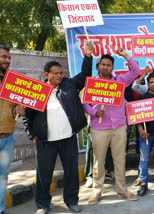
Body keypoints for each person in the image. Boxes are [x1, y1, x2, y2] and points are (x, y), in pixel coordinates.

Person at [23, 41, 94, 214]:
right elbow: (28, 116)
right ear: (47, 74)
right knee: (44, 176)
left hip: (68, 138)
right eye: (56, 73)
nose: (60, 76)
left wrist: (88, 55)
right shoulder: (37, 91)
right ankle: (43, 204)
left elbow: (85, 75)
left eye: (61, 73)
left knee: (71, 173)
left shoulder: (69, 85)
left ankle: (71, 201)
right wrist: (32, 135)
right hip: (45, 141)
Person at [83, 48, 139, 205]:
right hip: (99, 128)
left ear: (112, 67)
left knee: (120, 159)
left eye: (108, 65)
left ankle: (122, 189)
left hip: (119, 126)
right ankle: (97, 190)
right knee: (98, 161)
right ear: (98, 66)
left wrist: (126, 55)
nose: (105, 67)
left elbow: (135, 71)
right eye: (103, 64)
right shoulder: (91, 83)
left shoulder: (120, 81)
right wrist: (94, 112)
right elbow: (84, 103)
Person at [0, 44, 25, 214]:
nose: (7, 60)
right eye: (4, 57)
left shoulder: (12, 81)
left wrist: (19, 111)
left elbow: (14, 111)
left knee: (2, 178)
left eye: (9, 58)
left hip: (7, 137)